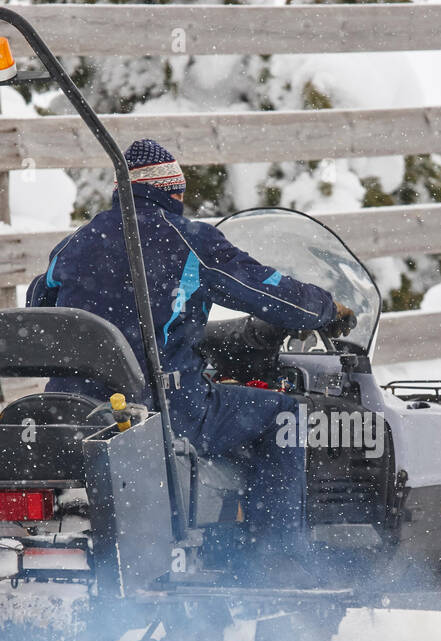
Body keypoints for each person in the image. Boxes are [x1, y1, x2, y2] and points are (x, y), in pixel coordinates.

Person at [25, 139, 355, 567]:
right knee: (283, 415)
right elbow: (269, 291)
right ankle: (279, 562)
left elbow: (38, 308)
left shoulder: (76, 244)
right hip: (160, 410)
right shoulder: (189, 241)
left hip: (76, 409)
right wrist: (326, 311)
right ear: (172, 191)